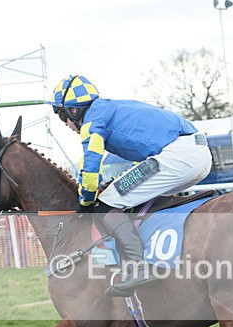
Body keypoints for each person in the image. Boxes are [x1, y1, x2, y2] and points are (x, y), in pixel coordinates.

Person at [49, 74, 212, 296]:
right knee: (128, 197)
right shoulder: (108, 110)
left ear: (74, 111)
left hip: (180, 155)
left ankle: (138, 266)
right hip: (196, 153)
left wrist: (85, 200)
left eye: (62, 117)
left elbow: (91, 166)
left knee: (105, 205)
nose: (66, 125)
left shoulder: (92, 121)